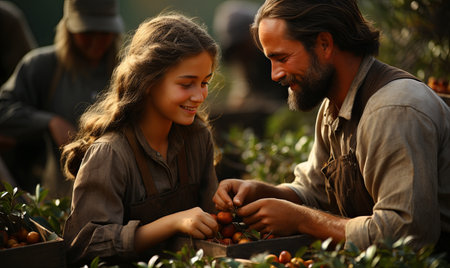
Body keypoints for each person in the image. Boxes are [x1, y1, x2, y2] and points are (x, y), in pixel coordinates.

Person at [213, 0, 450, 256]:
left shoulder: (393, 110)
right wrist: (265, 192)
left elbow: (405, 236)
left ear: (324, 44)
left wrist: (302, 220)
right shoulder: (333, 108)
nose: (275, 74)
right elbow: (316, 191)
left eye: (282, 58)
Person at [61, 13, 220, 266]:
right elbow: (84, 246)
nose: (200, 95)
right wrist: (172, 222)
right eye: (187, 83)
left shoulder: (198, 138)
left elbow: (213, 223)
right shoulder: (111, 153)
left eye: (204, 82)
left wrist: (230, 206)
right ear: (149, 81)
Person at [0, 0, 123, 197]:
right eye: (87, 33)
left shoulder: (125, 71)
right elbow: (4, 109)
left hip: (116, 189)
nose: (96, 41)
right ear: (69, 29)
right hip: (57, 197)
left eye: (103, 33)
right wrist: (49, 122)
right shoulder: (42, 66)